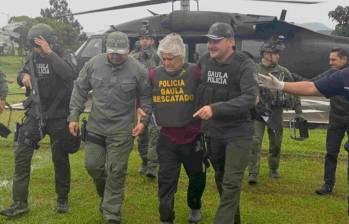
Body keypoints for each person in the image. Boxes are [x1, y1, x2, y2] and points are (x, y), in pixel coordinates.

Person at [68, 31, 152, 224]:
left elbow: (147, 98)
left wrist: (143, 121)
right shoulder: (93, 64)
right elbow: (80, 89)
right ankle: (107, 197)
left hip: (122, 130)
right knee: (93, 166)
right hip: (96, 127)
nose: (115, 56)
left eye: (120, 53)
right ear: (106, 50)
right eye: (112, 52)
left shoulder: (138, 70)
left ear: (128, 50)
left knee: (116, 170)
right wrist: (73, 116)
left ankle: (112, 213)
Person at [0, 23, 77, 217]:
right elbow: (20, 74)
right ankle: (19, 203)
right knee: (21, 154)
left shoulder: (64, 55)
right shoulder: (33, 57)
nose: (37, 50)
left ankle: (62, 199)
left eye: (40, 45)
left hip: (59, 115)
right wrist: (23, 76)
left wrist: (49, 53)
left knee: (60, 158)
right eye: (34, 46)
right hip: (36, 113)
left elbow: (70, 75)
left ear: (49, 42)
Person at [194, 22, 258, 224]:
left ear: (230, 42)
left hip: (238, 132)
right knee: (221, 178)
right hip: (213, 132)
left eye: (216, 41)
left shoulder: (244, 64)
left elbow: (250, 98)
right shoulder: (204, 61)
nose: (211, 45)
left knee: (231, 182)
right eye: (209, 41)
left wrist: (215, 108)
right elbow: (192, 88)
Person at [142, 33, 206, 224]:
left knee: (197, 179)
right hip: (167, 138)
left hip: (193, 137)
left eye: (171, 59)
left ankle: (194, 205)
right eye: (164, 59)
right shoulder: (154, 74)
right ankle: (166, 218)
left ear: (182, 57)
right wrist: (142, 114)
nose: (167, 63)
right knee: (166, 181)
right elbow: (144, 97)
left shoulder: (195, 72)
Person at [247, 38, 303, 184]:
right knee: (254, 142)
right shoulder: (253, 70)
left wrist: (299, 111)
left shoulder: (283, 72)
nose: (278, 56)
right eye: (275, 53)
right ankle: (253, 172)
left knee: (276, 143)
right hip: (257, 113)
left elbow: (294, 90)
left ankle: (273, 168)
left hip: (275, 113)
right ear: (266, 54)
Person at [310, 48, 349, 195]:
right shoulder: (331, 74)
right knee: (331, 152)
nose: (330, 62)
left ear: (344, 59)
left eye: (333, 60)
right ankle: (328, 185)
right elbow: (312, 83)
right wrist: (286, 80)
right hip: (336, 119)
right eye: (330, 59)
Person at [130, 22, 161, 178]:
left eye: (148, 38)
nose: (145, 41)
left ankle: (152, 166)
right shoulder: (133, 57)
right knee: (142, 136)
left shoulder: (159, 57)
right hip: (140, 103)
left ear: (153, 40)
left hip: (155, 101)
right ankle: (144, 161)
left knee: (155, 134)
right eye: (142, 38)